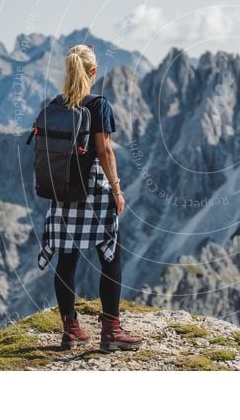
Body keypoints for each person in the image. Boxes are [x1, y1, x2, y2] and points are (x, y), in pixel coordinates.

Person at [39, 44, 142, 352]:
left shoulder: (55, 105)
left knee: (66, 257)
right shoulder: (98, 105)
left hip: (62, 191)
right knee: (110, 256)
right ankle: (111, 331)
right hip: (93, 190)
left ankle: (70, 329)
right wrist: (117, 188)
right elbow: (105, 150)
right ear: (93, 71)